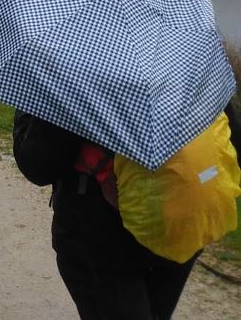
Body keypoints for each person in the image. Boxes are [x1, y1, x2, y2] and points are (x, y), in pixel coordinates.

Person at [13, 101, 241, 319]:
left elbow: (38, 164)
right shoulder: (192, 64)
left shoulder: (76, 68)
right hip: (182, 218)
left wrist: (28, 102)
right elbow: (233, 142)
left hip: (99, 238)